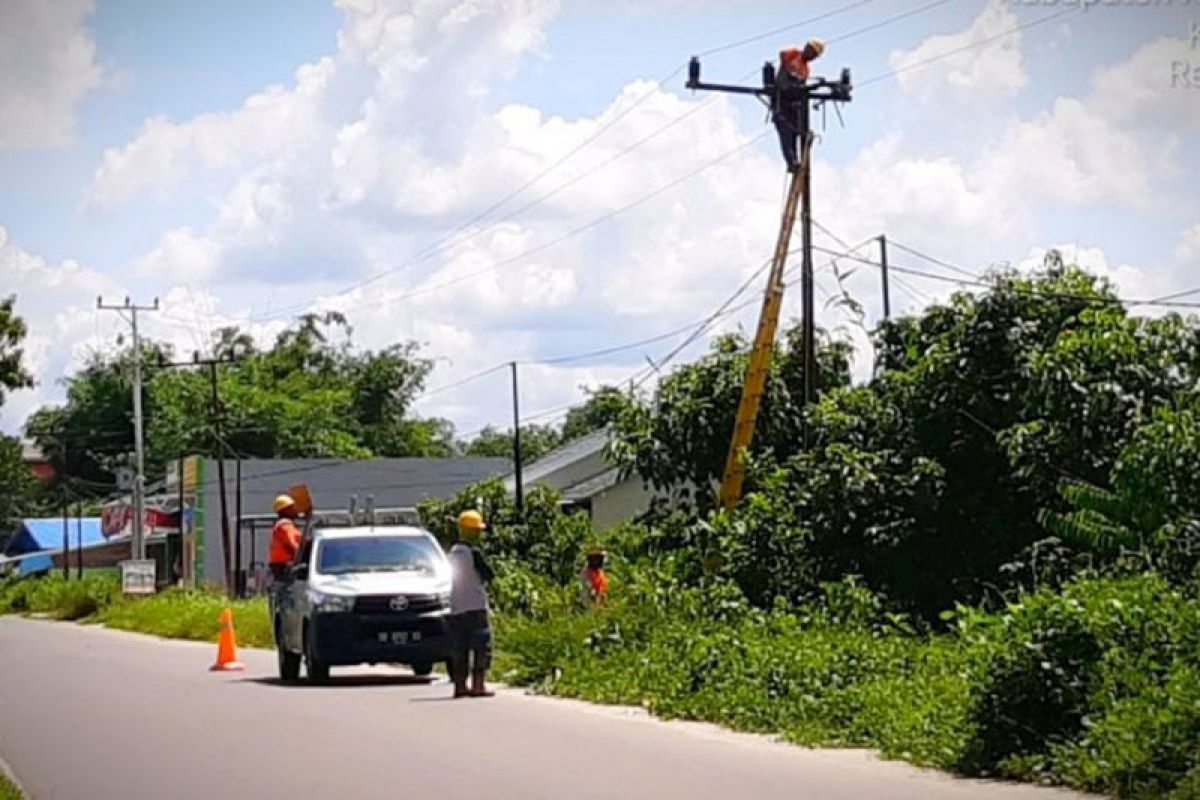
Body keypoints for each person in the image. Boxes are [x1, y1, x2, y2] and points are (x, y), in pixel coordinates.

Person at [447, 509, 495, 698]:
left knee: (460, 648)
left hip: (456, 608)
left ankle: (460, 686)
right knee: (481, 646)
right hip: (476, 607)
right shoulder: (474, 553)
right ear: (473, 532)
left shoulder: (452, 553)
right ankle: (478, 685)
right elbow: (489, 575)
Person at [773, 39, 825, 171]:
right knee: (785, 131)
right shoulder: (794, 54)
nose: (812, 56)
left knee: (796, 132)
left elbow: (802, 85)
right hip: (781, 100)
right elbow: (782, 55)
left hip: (793, 104)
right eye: (811, 52)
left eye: (815, 55)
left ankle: (795, 162)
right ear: (807, 47)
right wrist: (792, 73)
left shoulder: (806, 69)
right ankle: (792, 161)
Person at [268, 494, 304, 582]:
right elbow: (293, 544)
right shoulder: (284, 525)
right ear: (285, 510)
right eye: (292, 507)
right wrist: (303, 556)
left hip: (281, 566)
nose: (295, 510)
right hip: (284, 566)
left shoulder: (285, 525)